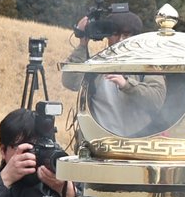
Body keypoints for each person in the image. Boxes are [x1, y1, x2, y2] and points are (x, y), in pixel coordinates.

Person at [61, 8, 176, 138]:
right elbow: (70, 82)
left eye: (126, 35)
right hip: (101, 143)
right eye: (115, 34)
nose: (121, 39)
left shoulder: (147, 65)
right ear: (107, 35)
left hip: (137, 142)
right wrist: (83, 43)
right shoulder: (96, 64)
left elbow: (156, 100)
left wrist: (126, 85)